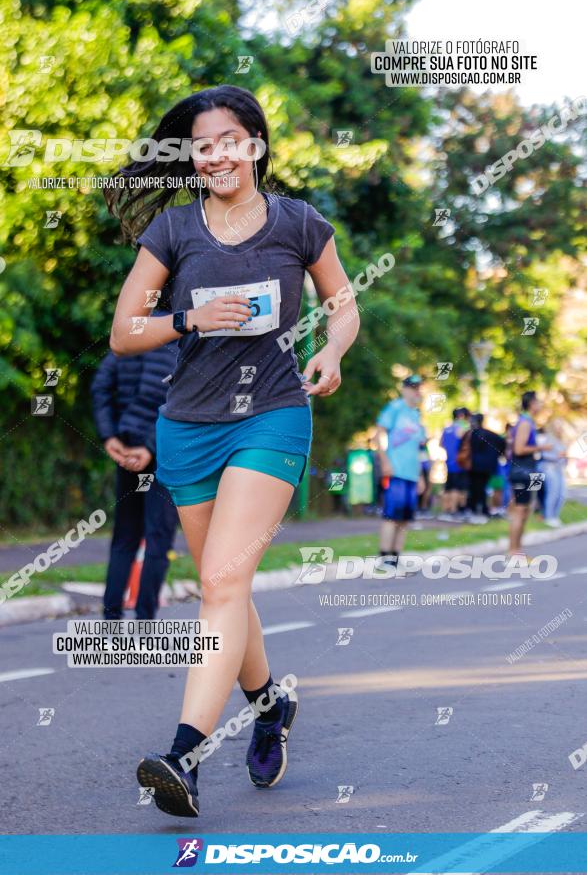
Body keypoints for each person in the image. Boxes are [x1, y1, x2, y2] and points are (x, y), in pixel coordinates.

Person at [105, 85, 359, 817]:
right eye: (201, 144)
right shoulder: (175, 232)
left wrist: (333, 350)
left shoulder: (299, 223)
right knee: (228, 589)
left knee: (219, 582)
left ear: (254, 144)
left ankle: (183, 754)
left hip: (270, 418)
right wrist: (187, 317)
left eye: (227, 140)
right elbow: (125, 331)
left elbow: (342, 304)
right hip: (186, 425)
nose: (214, 154)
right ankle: (270, 704)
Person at [91, 343, 178, 620]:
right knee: (158, 538)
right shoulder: (180, 341)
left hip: (125, 449)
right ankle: (144, 619)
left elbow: (100, 387)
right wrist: (151, 447)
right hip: (162, 453)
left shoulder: (129, 339)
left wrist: (110, 437)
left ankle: (112, 617)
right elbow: (176, 401)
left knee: (124, 537)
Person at [375, 375, 427, 566]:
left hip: (412, 474)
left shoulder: (417, 415)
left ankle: (396, 558)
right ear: (404, 389)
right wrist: (385, 462)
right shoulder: (395, 408)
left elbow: (419, 449)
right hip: (395, 471)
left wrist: (421, 475)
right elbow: (379, 434)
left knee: (405, 518)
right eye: (412, 387)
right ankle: (384, 556)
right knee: (391, 515)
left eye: (418, 388)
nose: (416, 391)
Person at [508, 391, 550, 555]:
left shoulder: (528, 421)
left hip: (530, 470)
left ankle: (518, 549)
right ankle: (513, 550)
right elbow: (519, 448)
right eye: (538, 402)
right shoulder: (525, 423)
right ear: (532, 403)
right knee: (520, 511)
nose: (540, 405)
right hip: (521, 471)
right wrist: (541, 447)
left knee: (526, 511)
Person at [466, 413, 506, 522]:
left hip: (476, 466)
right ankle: (482, 508)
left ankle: (476, 508)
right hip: (488, 466)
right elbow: (503, 443)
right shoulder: (491, 434)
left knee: (476, 488)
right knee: (482, 488)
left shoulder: (474, 434)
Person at [439, 407, 471, 521]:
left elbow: (441, 444)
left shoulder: (447, 428)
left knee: (449, 487)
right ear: (462, 416)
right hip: (460, 462)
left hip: (449, 461)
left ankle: (446, 510)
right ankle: (454, 510)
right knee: (458, 488)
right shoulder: (464, 427)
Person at [541, 419, 567, 527]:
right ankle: (549, 517)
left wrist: (564, 459)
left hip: (559, 469)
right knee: (553, 493)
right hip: (549, 468)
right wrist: (557, 456)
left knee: (562, 494)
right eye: (557, 425)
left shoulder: (561, 440)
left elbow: (564, 456)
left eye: (561, 425)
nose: (559, 428)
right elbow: (543, 455)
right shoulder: (548, 439)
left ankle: (555, 517)